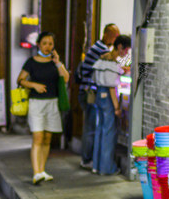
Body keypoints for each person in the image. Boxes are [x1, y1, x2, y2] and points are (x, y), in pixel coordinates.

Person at [17, 31, 70, 185]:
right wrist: (34, 85)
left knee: (47, 138)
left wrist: (58, 62)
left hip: (52, 103)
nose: (47, 47)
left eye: (50, 44)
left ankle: (42, 170)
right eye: (45, 43)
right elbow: (20, 80)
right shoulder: (31, 62)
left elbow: (66, 78)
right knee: (38, 137)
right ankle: (36, 172)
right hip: (36, 103)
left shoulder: (55, 63)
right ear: (39, 44)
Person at [76, 24, 119, 170]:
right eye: (114, 35)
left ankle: (90, 159)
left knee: (93, 127)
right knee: (91, 127)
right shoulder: (102, 50)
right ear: (106, 34)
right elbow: (112, 68)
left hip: (87, 92)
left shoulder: (96, 46)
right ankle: (87, 159)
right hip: (91, 94)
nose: (115, 39)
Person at [90, 35, 131, 175]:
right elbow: (111, 87)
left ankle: (97, 165)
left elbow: (96, 78)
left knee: (100, 130)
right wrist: (117, 107)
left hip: (98, 97)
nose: (126, 53)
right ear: (120, 47)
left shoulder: (102, 58)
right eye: (126, 50)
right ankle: (107, 168)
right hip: (108, 98)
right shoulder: (113, 63)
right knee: (109, 133)